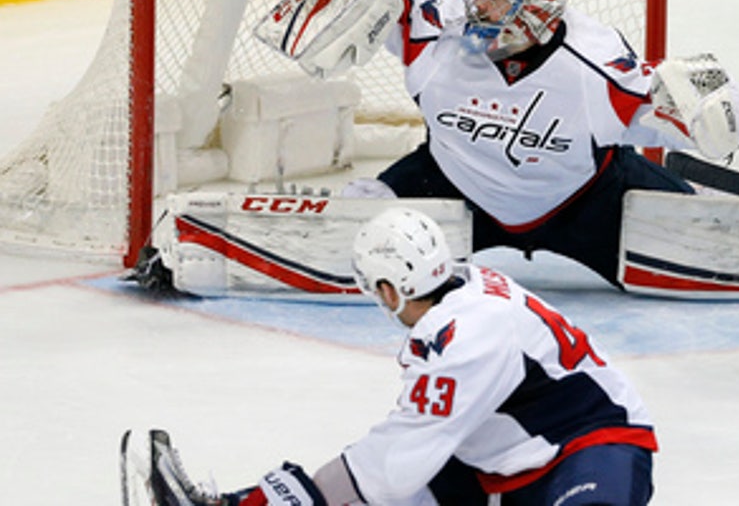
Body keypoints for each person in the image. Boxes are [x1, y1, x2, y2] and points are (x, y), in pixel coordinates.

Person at [121, 207, 657, 505]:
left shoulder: (468, 337)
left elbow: (395, 464)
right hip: (497, 462)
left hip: (592, 447)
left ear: (388, 287)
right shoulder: (465, 289)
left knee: (370, 487)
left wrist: (304, 495)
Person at [345, 0, 739, 290]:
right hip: (455, 182)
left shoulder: (596, 68)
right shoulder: (441, 24)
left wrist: (717, 112)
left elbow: (682, 106)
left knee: (706, 234)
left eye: (497, 0)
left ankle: (692, 201)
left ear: (532, 17)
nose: (478, 5)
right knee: (363, 215)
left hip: (587, 203)